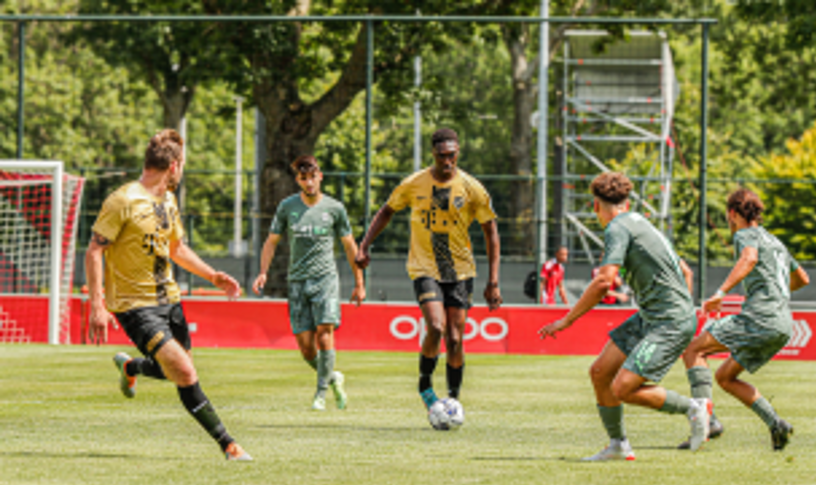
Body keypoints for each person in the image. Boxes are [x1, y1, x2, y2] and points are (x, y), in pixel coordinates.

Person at [85, 129, 251, 461]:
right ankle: (229, 445)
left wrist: (213, 275)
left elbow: (176, 249)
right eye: (184, 164)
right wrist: (97, 306)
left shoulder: (169, 201)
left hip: (169, 301)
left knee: (176, 369)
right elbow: (93, 252)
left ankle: (131, 367)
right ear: (174, 166)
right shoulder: (123, 200)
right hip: (134, 306)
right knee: (186, 374)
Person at [538, 172, 710, 461]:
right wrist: (682, 307)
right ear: (626, 201)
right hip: (655, 316)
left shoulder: (617, 227)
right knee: (600, 373)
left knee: (623, 387)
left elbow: (604, 281)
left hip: (668, 320)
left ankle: (694, 408)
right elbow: (686, 271)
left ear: (595, 206)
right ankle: (618, 445)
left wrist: (566, 320)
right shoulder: (643, 223)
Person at [355, 128, 502, 411]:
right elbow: (387, 210)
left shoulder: (472, 188)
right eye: (441, 156)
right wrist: (364, 245)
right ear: (433, 154)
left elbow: (491, 232)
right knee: (436, 326)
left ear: (458, 153)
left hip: (460, 271)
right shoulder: (413, 183)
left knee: (456, 339)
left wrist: (493, 281)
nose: (447, 161)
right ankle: (424, 383)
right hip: (424, 267)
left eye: (452, 156)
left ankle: (453, 399)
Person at [680, 188, 809, 451]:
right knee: (726, 376)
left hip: (760, 317)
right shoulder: (775, 241)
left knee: (694, 349)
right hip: (783, 323)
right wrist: (774, 291)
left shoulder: (744, 234)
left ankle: (707, 422)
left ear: (732, 214)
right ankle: (776, 423)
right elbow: (802, 279)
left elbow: (748, 258)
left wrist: (720, 293)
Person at [253, 155, 365, 411]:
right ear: (298, 180)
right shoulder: (287, 207)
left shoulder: (335, 208)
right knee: (306, 347)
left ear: (320, 176)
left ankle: (321, 393)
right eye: (304, 178)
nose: (309, 182)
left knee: (324, 335)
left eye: (313, 176)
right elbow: (271, 241)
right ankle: (333, 376)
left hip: (325, 279)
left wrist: (359, 282)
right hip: (297, 281)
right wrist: (263, 272)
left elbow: (350, 246)